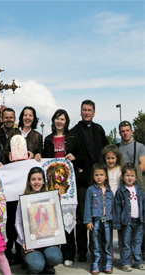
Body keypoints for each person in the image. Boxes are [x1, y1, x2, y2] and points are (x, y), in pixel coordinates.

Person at [43, 109, 84, 267]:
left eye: (62, 119)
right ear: (53, 120)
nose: (59, 121)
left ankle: (69, 253)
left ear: (66, 121)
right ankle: (55, 252)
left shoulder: (73, 138)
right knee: (53, 219)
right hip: (52, 185)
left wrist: (75, 157)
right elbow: (45, 161)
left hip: (68, 185)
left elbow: (81, 157)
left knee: (68, 219)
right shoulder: (48, 139)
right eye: (57, 118)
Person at [70, 99, 109, 262]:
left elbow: (106, 150)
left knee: (99, 217)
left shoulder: (99, 129)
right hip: (82, 182)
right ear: (80, 112)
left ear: (94, 112)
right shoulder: (74, 131)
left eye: (89, 110)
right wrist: (78, 164)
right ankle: (81, 251)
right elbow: (70, 155)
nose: (86, 112)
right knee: (81, 219)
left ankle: (97, 250)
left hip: (98, 181)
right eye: (84, 110)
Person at [5, 106, 43, 264]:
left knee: (28, 217)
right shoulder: (13, 134)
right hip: (14, 183)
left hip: (29, 184)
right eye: (25, 115)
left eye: (31, 115)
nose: (28, 118)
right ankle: (8, 251)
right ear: (21, 117)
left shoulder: (37, 135)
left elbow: (41, 154)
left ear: (34, 118)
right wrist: (8, 157)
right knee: (12, 218)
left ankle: (24, 251)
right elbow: (6, 154)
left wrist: (37, 155)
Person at [15, 167, 62, 274]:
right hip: (30, 242)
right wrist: (24, 241)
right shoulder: (24, 199)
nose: (36, 182)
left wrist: (58, 202)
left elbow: (56, 219)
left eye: (39, 179)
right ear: (29, 181)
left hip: (47, 239)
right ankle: (33, 267)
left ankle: (47, 267)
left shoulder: (51, 197)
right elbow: (18, 222)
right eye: (33, 179)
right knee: (36, 265)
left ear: (44, 181)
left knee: (55, 257)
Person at [113, 163, 145, 272]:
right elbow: (117, 208)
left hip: (139, 221)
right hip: (126, 221)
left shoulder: (139, 190)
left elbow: (143, 204)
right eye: (127, 175)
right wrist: (117, 223)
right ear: (122, 177)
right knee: (126, 243)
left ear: (136, 177)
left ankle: (138, 261)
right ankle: (125, 262)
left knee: (137, 242)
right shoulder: (120, 191)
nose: (130, 178)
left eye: (132, 176)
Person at [84, 163, 114, 274]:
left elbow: (113, 207)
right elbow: (87, 206)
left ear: (106, 176)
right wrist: (88, 221)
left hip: (107, 221)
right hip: (95, 221)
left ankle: (108, 264)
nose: (99, 177)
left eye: (102, 174)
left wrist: (114, 220)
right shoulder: (90, 190)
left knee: (107, 244)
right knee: (95, 244)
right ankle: (95, 264)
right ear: (93, 176)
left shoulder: (109, 191)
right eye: (97, 175)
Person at [118, 120, 145, 189]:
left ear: (131, 132)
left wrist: (130, 177)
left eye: (127, 130)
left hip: (136, 182)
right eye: (123, 131)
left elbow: (143, 165)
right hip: (120, 183)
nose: (125, 133)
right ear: (120, 133)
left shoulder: (140, 146)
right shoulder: (116, 148)